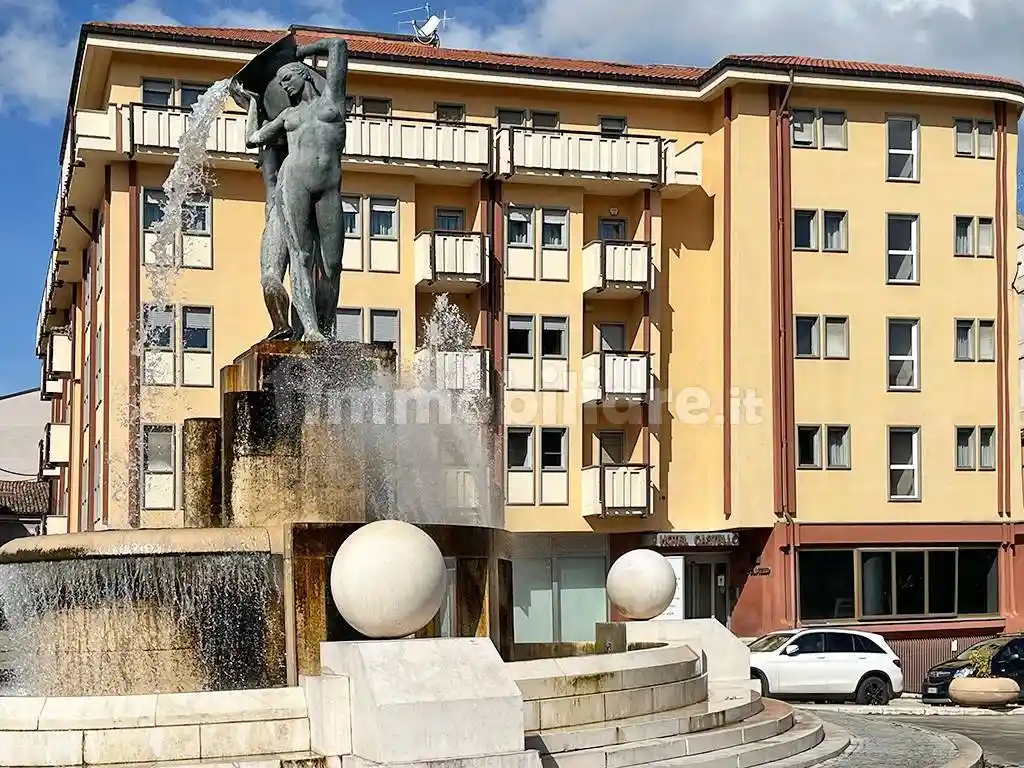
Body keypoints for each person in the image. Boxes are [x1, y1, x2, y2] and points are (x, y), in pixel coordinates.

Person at [242, 38, 349, 343]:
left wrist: (301, 52)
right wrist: (252, 102)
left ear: (303, 74)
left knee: (333, 263)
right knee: (300, 256)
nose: (284, 86)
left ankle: (327, 328)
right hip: (294, 181)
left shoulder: (332, 101)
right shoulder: (287, 116)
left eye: (287, 78)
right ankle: (312, 330)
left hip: (329, 187)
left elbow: (338, 47)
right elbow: (253, 138)